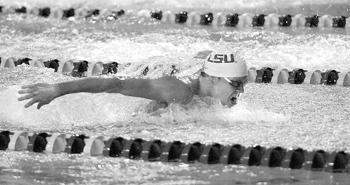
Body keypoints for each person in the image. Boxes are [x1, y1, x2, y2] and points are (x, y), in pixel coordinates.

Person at [18, 51, 248, 110]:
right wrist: (57, 89)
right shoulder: (177, 90)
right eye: (237, 84)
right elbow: (115, 84)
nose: (242, 91)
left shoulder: (209, 89)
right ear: (215, 79)